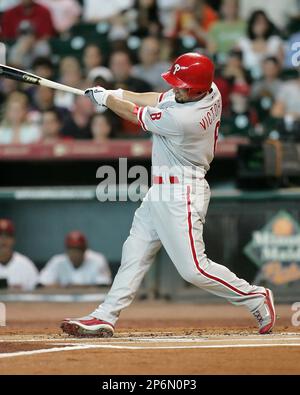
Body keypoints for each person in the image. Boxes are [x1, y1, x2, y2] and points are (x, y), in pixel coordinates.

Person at [61, 52, 276, 337]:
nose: (176, 88)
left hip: (182, 192)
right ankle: (106, 315)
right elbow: (159, 98)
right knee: (134, 253)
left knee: (194, 269)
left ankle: (256, 297)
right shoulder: (208, 91)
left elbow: (134, 114)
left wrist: (107, 101)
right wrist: (119, 92)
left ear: (196, 88)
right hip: (160, 189)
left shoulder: (185, 120)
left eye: (181, 85)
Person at [39, 231, 111, 287]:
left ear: (85, 249)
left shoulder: (97, 260)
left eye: (78, 249)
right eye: (72, 249)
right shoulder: (57, 261)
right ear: (67, 250)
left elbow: (104, 286)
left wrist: (67, 287)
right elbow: (41, 284)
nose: (75, 254)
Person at [237, 10, 284, 80]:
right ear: (251, 25)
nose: (261, 26)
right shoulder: (243, 43)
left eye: (264, 23)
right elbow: (234, 63)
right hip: (247, 81)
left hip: (270, 81)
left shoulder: (275, 42)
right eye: (258, 23)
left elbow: (280, 66)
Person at [0, 219, 39, 291]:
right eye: (0, 235)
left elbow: (37, 293)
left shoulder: (26, 264)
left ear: (13, 239)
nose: (3, 239)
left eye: (8, 235)